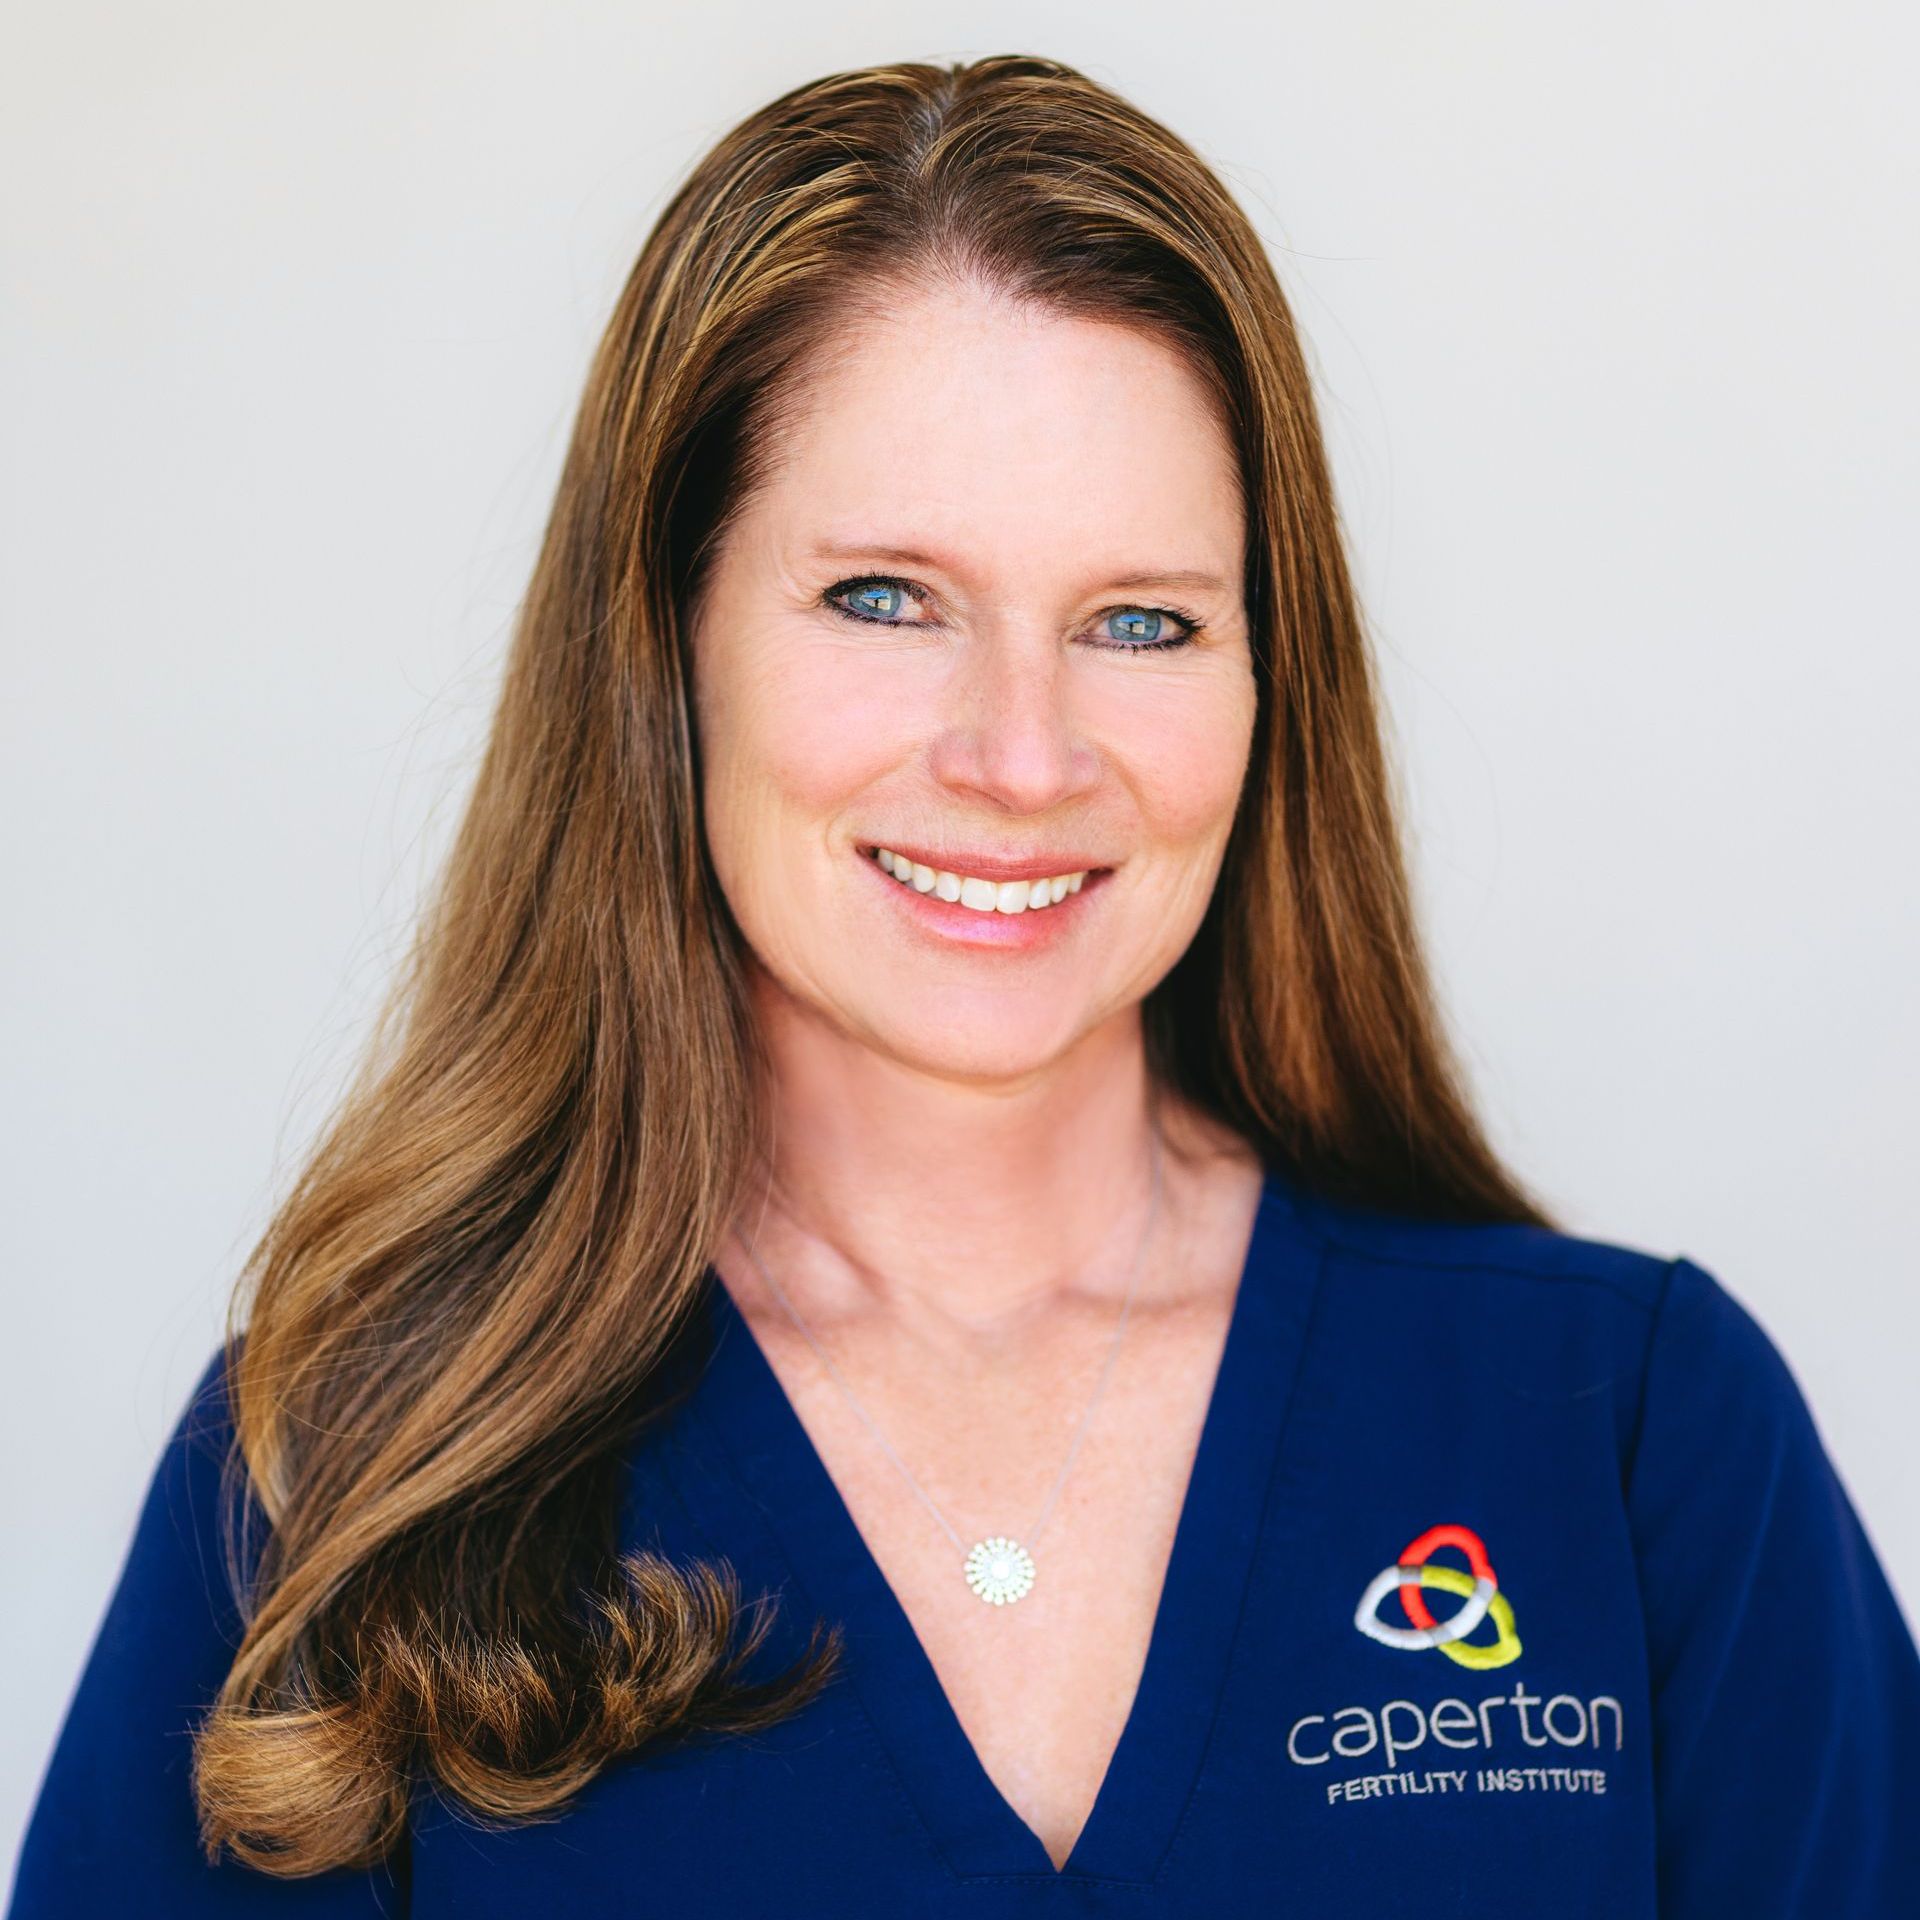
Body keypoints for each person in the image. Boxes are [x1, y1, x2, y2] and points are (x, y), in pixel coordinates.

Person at [11, 51, 1919, 1920]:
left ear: (1270, 686)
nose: (1023, 755)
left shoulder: (1635, 1436)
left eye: (1141, 622)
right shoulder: (354, 1483)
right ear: (667, 647)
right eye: (884, 599)